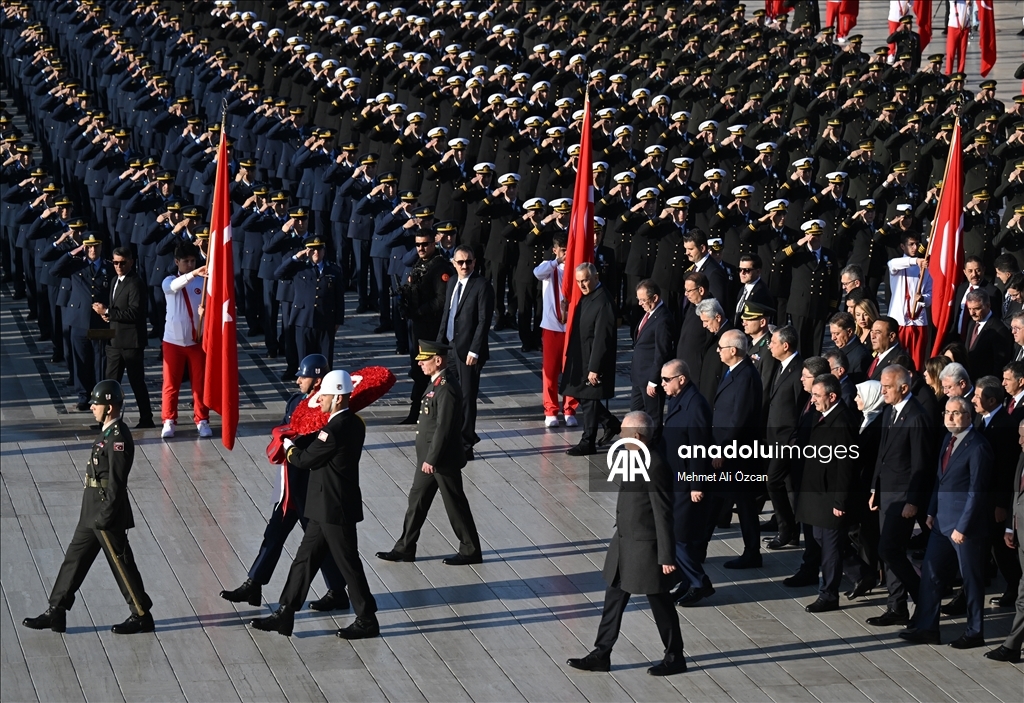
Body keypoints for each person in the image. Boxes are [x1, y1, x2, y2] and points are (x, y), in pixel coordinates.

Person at [250, 370, 379, 640]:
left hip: (334, 509)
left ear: (338, 398)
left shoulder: (333, 430)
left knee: (349, 564)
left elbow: (304, 460)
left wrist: (288, 446)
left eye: (324, 396)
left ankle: (367, 619)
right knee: (304, 560)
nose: (319, 400)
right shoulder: (353, 423)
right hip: (324, 507)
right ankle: (285, 612)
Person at [22, 381, 154, 635]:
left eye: (97, 403)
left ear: (110, 407)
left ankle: (141, 614)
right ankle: (56, 610)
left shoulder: (118, 437)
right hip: (91, 511)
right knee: (75, 559)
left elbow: (116, 483)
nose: (92, 407)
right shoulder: (107, 432)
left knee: (121, 563)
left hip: (105, 512)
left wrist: (106, 515)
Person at [221, 354, 349, 612]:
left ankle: (338, 591)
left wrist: (291, 441)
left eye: (303, 376)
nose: (298, 380)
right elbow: (284, 427)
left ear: (318, 380)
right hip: (289, 483)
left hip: (310, 486)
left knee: (318, 542)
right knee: (274, 532)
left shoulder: (324, 408)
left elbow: (316, 444)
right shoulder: (295, 401)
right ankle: (254, 583)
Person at [566, 412, 687, 677]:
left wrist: (666, 556)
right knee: (613, 598)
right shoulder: (633, 456)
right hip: (624, 544)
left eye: (623, 432)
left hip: (645, 548)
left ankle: (675, 656)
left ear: (638, 436)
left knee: (660, 602)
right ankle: (601, 654)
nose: (619, 436)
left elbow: (663, 513)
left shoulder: (655, 465)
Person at [377, 340, 482, 565]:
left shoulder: (446, 387)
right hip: (428, 459)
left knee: (454, 504)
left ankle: (471, 550)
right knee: (417, 501)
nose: (420, 364)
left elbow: (444, 427)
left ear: (438, 360)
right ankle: (405, 547)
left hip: (441, 459)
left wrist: (432, 459)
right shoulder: (435, 383)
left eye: (424, 360)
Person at [900, 396, 993, 648]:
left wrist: (963, 527)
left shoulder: (977, 446)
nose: (950, 417)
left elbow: (977, 492)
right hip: (941, 523)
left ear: (969, 416)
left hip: (965, 528)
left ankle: (974, 632)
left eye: (956, 413)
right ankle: (927, 628)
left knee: (971, 580)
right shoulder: (947, 440)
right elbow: (940, 480)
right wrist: (931, 511)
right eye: (947, 412)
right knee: (931, 574)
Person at [867, 364, 933, 627]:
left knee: (889, 549)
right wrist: (875, 488)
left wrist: (913, 501)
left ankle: (922, 599)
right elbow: (881, 455)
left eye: (887, 387)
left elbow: (921, 465)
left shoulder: (916, 417)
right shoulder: (889, 411)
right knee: (889, 551)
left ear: (904, 388)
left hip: (903, 498)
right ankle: (896, 607)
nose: (882, 391)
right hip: (886, 493)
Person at [797, 374, 859, 612]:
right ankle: (862, 573)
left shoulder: (842, 421)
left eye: (816, 395)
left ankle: (829, 594)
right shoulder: (821, 415)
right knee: (822, 539)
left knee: (831, 547)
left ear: (832, 396)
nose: (812, 400)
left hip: (832, 495)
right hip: (817, 493)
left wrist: (840, 500)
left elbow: (846, 466)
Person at [661, 360, 718, 607]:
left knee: (678, 536)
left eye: (666, 379)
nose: (662, 384)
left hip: (687, 483)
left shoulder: (695, 405)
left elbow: (699, 449)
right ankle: (686, 583)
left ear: (681, 379)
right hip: (676, 479)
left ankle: (699, 582)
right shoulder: (677, 398)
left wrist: (696, 485)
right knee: (680, 534)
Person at [711, 329, 764, 568]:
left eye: (721, 347)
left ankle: (752, 552)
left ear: (733, 350)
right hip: (728, 449)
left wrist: (723, 450)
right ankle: (698, 546)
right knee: (721, 499)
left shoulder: (746, 376)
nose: (718, 351)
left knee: (744, 503)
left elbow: (739, 418)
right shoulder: (734, 371)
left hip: (737, 453)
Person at [436, 244, 494, 460]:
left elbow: (483, 321)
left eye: (468, 261)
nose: (464, 266)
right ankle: (452, 437)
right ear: (453, 263)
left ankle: (466, 444)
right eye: (460, 262)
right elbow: (447, 314)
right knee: (449, 394)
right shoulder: (452, 282)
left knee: (468, 398)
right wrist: (439, 346)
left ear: (474, 262)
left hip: (469, 351)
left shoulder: (482, 285)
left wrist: (475, 351)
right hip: (451, 347)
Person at [49, 232, 114, 411]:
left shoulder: (109, 267)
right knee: (81, 360)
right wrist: (72, 253)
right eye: (89, 246)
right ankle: (83, 396)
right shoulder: (76, 265)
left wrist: (109, 311)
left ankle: (100, 395)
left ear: (101, 246)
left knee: (101, 361)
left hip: (101, 321)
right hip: (79, 320)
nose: (93, 250)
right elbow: (54, 271)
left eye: (96, 246)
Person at [562, 262, 620, 456]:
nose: (582, 285)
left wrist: (595, 367)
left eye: (585, 280)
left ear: (596, 277)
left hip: (593, 361)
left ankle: (588, 442)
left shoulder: (603, 301)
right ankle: (610, 422)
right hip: (581, 358)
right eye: (578, 281)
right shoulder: (588, 296)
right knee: (578, 393)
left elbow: (602, 338)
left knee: (589, 400)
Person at [93, 247, 153, 428]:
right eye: (115, 263)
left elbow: (135, 312)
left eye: (122, 263)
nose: (118, 266)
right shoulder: (114, 280)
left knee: (136, 382)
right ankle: (105, 420)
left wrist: (108, 312)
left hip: (131, 342)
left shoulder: (135, 283)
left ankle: (146, 418)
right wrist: (107, 315)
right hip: (115, 341)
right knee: (110, 383)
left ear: (131, 262)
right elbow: (116, 308)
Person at [159, 242, 211, 439]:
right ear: (176, 262)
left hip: (196, 341)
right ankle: (169, 420)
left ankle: (202, 419)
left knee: (199, 384)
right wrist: (194, 273)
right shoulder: (169, 280)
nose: (190, 265)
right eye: (186, 261)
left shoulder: (202, 282)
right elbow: (174, 287)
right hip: (173, 342)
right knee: (171, 384)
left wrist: (205, 313)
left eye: (192, 261)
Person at [274, 231, 345, 366]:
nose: (316, 253)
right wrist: (295, 257)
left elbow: (339, 297)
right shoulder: (299, 268)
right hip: (303, 320)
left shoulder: (334, 270)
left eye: (319, 249)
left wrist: (338, 320)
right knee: (305, 360)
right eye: (312, 250)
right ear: (307, 251)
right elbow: (278, 274)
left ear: (324, 250)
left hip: (326, 320)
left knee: (325, 361)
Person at [985, 421, 1024, 663]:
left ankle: (1012, 646)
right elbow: (1015, 494)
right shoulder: (1022, 455)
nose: (1020, 441)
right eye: (1019, 436)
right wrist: (1010, 526)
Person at [764, 325, 805, 549]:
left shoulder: (798, 371)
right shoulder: (781, 366)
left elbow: (801, 407)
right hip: (775, 437)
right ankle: (793, 532)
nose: (769, 346)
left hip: (787, 440)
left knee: (772, 481)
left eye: (773, 342)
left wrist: (794, 440)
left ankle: (785, 529)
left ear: (785, 346)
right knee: (790, 487)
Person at [533, 233, 578, 427]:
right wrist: (557, 261)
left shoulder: (577, 268)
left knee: (571, 370)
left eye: (569, 250)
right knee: (550, 371)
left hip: (571, 327)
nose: (566, 254)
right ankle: (551, 410)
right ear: (555, 250)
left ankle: (570, 409)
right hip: (552, 326)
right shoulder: (549, 267)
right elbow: (537, 273)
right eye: (563, 251)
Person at [631, 280, 674, 434]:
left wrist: (653, 381)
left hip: (650, 380)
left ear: (655, 298)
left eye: (643, 300)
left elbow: (661, 352)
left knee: (652, 420)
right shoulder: (650, 314)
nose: (640, 303)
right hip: (638, 377)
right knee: (635, 417)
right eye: (639, 299)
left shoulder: (663, 318)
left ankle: (654, 447)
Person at [964, 289, 1015, 380]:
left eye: (976, 309)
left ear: (988, 305)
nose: (972, 313)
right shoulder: (971, 323)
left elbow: (1000, 364)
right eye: (969, 309)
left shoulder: (999, 330)